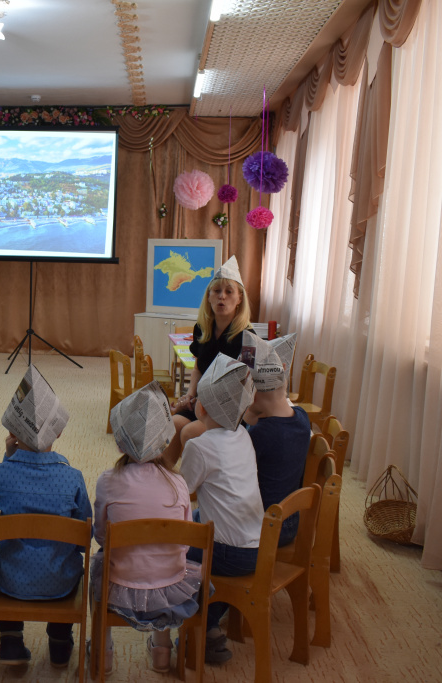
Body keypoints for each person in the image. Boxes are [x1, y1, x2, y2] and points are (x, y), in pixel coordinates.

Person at [92, 382, 200, 674]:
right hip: (170, 586)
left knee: (98, 565)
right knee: (174, 566)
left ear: (119, 441)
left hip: (121, 586)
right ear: (165, 439)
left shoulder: (107, 480)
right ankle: (162, 652)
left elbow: (101, 536)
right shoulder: (178, 482)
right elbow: (186, 539)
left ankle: (104, 653)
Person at [0, 365, 92, 669]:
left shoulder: (1, 473)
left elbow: (5, 493)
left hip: (12, 581)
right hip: (59, 580)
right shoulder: (72, 477)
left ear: (11, 432)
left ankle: (10, 638)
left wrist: (9, 454)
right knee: (70, 559)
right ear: (58, 431)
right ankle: (60, 642)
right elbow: (85, 537)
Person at [180, 354, 261, 663]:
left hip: (226, 552)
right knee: (200, 521)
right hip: (255, 546)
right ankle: (211, 625)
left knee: (174, 544)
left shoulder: (199, 446)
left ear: (199, 407)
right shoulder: (244, 436)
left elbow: (180, 494)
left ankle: (195, 631)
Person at [171, 255, 253, 445]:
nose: (222, 296)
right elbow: (198, 368)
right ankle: (167, 475)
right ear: (209, 297)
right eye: (216, 291)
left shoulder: (248, 337)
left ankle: (193, 475)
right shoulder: (202, 328)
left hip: (228, 411)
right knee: (174, 424)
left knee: (190, 433)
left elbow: (247, 387)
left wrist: (204, 403)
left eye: (229, 291)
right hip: (201, 403)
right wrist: (189, 396)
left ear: (239, 298)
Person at [241, 331, 308, 547]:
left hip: (264, 527)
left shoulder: (262, 434)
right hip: (290, 522)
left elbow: (237, 476)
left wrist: (247, 415)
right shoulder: (302, 418)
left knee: (202, 517)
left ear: (253, 394)